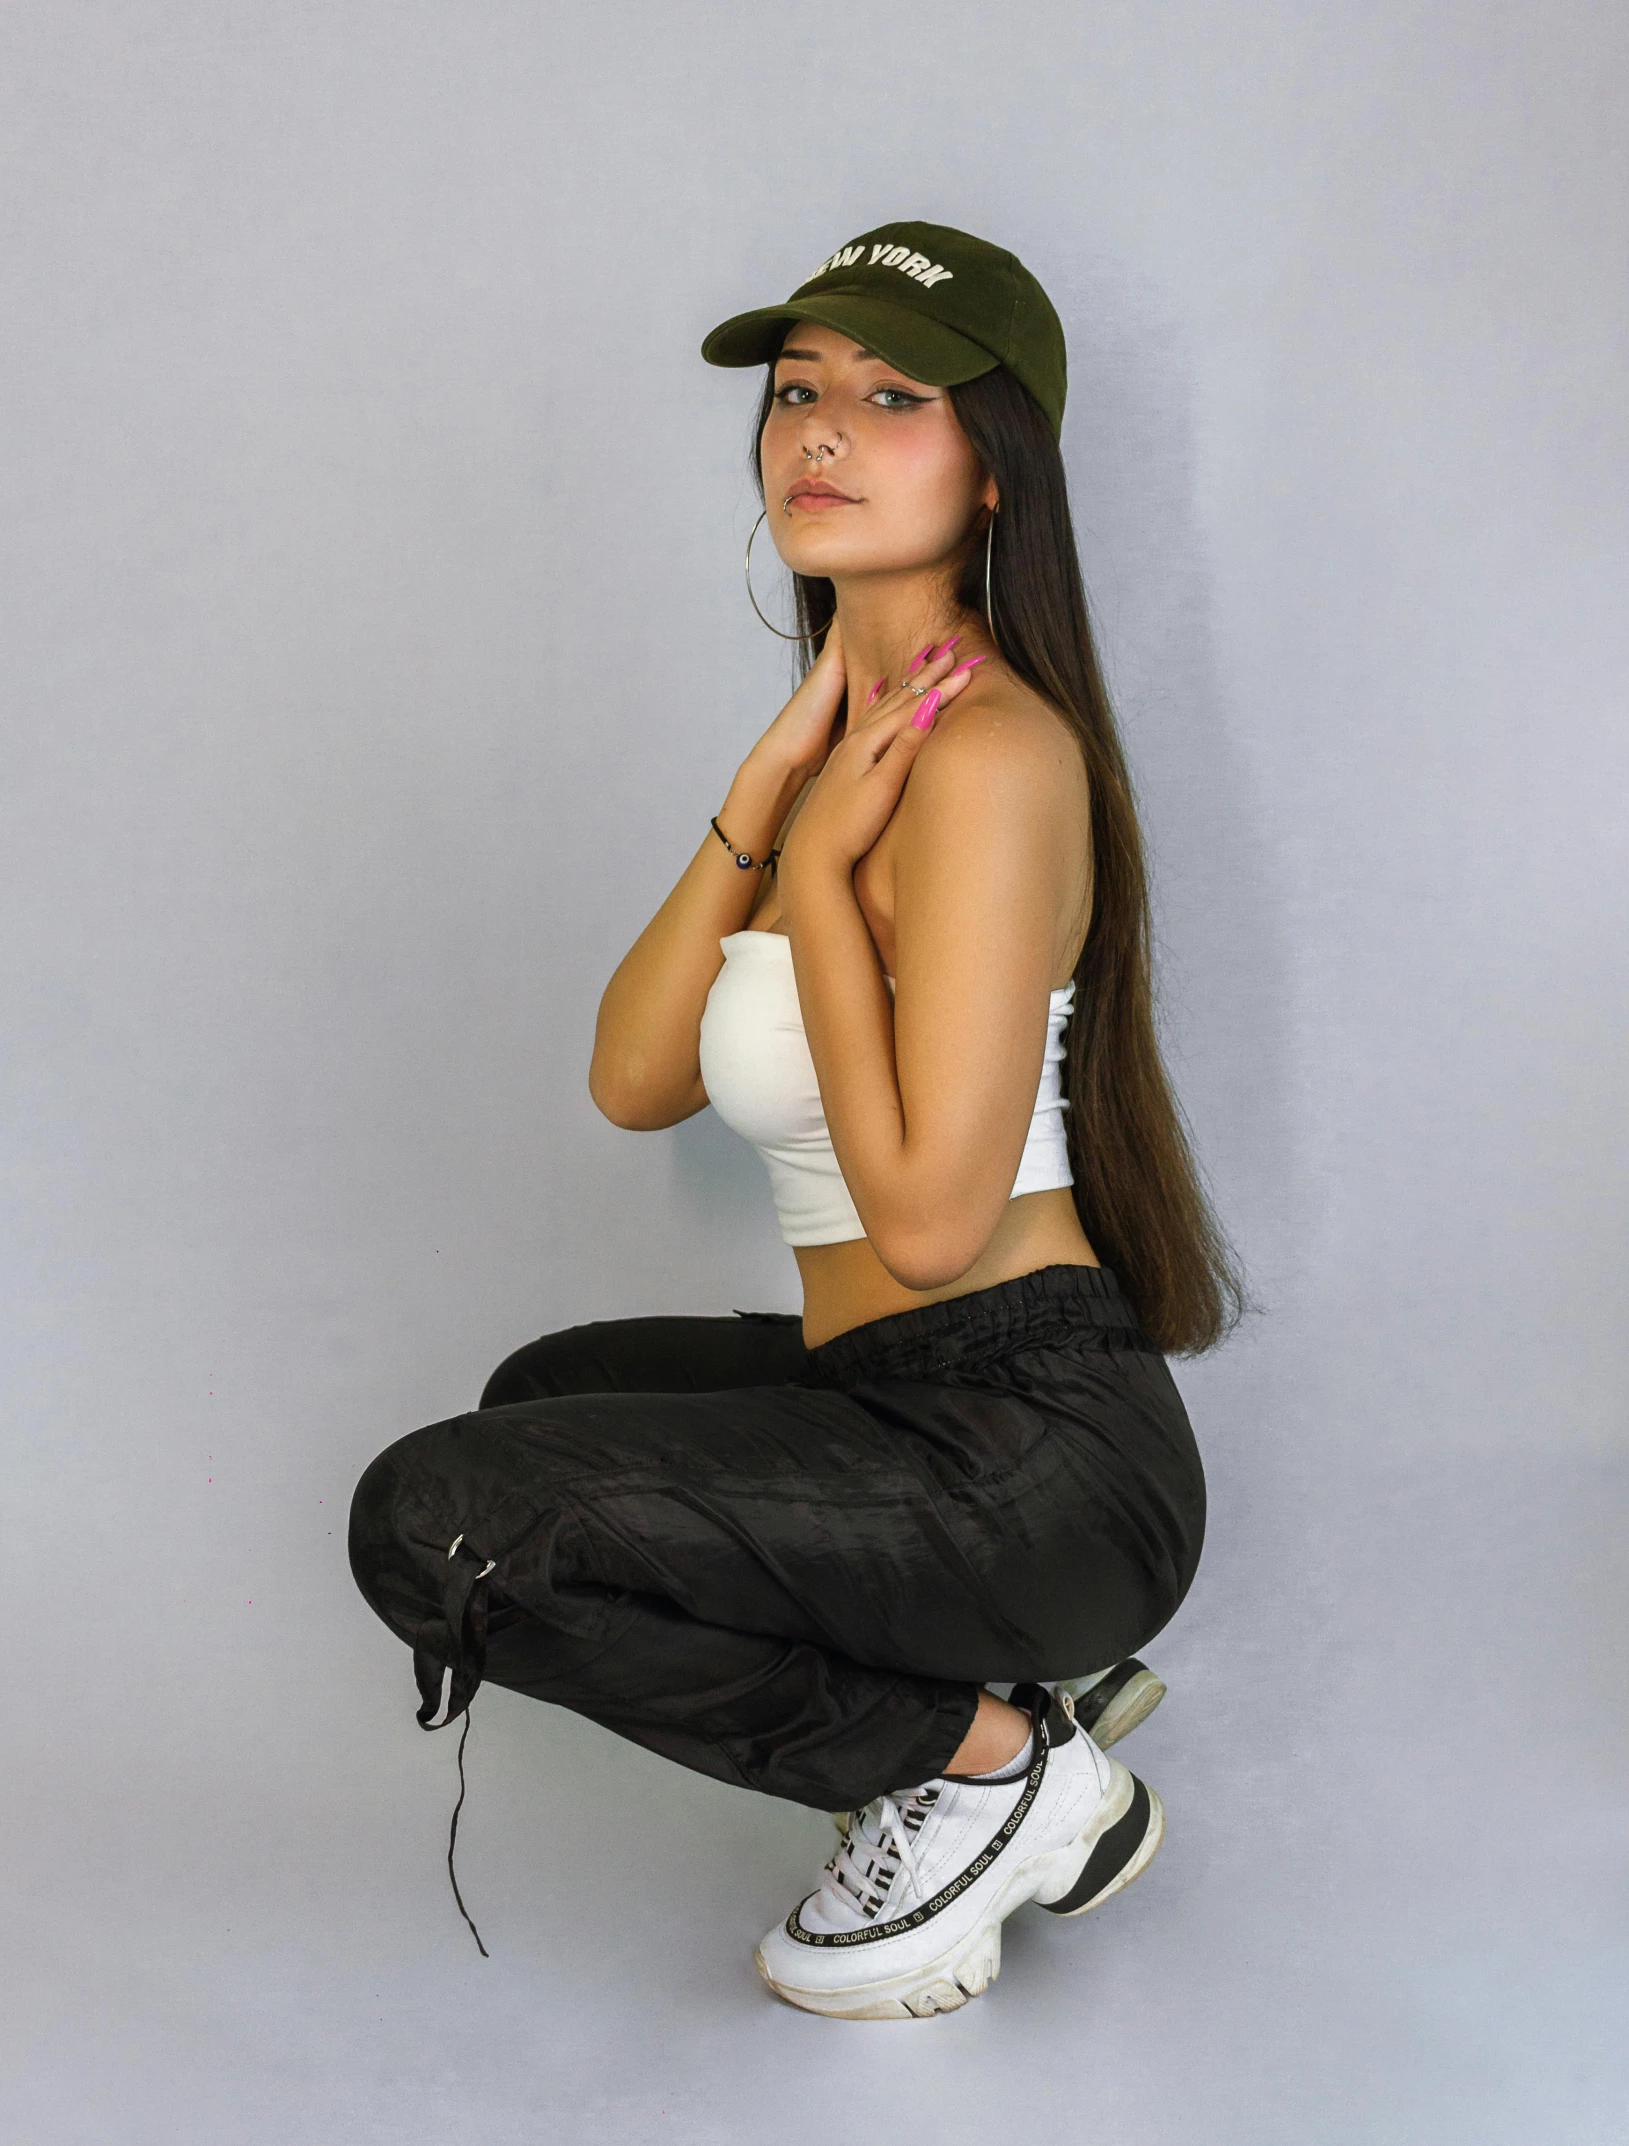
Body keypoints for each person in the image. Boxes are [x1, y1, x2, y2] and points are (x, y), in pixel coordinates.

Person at [349, 220, 1239, 2019]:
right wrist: (768, 800)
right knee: (539, 1409)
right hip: (901, 1398)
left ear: (994, 467)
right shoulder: (844, 751)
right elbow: (634, 1078)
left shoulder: (994, 759)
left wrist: (824, 880)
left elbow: (924, 1228)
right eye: (796, 394)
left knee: (433, 1514)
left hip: (1039, 1447)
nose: (818, 433)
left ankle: (983, 1762)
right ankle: (1005, 1741)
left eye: (890, 398)